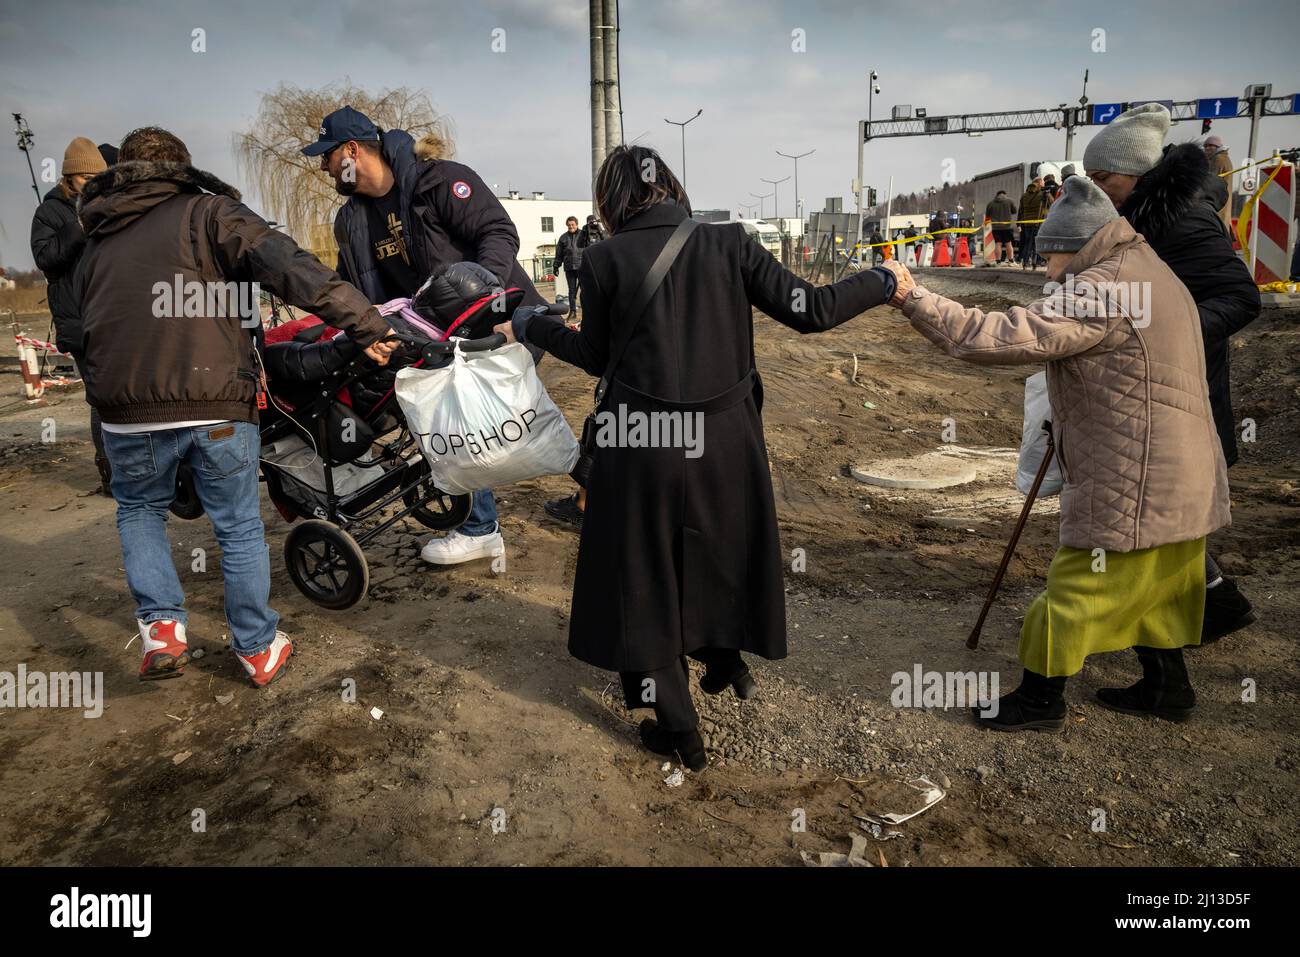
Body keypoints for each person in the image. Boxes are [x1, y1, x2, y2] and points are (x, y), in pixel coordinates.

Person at [493, 145, 898, 769]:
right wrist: (884, 280)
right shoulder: (729, 242)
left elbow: (596, 358)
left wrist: (528, 325)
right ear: (671, 187)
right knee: (716, 548)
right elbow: (813, 312)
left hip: (642, 443)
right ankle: (724, 657)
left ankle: (681, 730)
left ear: (610, 201)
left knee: (643, 577)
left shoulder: (603, 260)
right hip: (726, 440)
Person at [882, 175, 1230, 731]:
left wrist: (912, 297)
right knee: (1157, 587)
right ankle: (1169, 687)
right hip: (1180, 469)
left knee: (1073, 589)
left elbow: (995, 335)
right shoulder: (1149, 269)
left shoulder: (1104, 287)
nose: (1046, 272)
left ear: (1079, 245)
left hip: (1135, 474)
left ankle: (1039, 701)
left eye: (1052, 256)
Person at [75, 126, 394, 686]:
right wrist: (366, 323)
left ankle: (161, 632)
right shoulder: (208, 213)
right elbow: (289, 266)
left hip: (123, 411)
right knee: (239, 525)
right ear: (183, 168)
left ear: (122, 172)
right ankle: (255, 647)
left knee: (140, 511)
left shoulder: (96, 236)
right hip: (213, 398)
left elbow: (84, 324)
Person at [304, 105, 547, 568]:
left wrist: (488, 304)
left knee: (499, 417)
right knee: (469, 418)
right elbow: (350, 287)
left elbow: (496, 232)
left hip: (498, 321)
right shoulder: (349, 222)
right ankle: (481, 523)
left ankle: (485, 525)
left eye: (328, 155)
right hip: (435, 340)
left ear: (352, 151)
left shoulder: (439, 181)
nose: (322, 165)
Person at [1083, 102, 1261, 641]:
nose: (1095, 188)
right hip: (1150, 380)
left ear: (1136, 174)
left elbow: (1240, 297)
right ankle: (1204, 611)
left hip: (1182, 381)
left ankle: (1181, 625)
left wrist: (1169, 330)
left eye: (1103, 178)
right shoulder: (1136, 214)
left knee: (1158, 507)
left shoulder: (1179, 218)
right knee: (1163, 510)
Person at [30, 137, 110, 492]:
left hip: (112, 315)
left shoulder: (106, 203)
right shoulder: (49, 212)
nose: (92, 185)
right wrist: (78, 224)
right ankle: (110, 473)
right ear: (69, 177)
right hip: (79, 319)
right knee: (101, 397)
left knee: (126, 394)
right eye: (85, 179)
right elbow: (45, 258)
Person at [553, 215, 583, 319]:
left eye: (573, 224)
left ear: (577, 224)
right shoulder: (563, 238)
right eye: (569, 225)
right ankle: (573, 311)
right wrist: (556, 266)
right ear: (567, 225)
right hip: (569, 267)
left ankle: (587, 310)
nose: (571, 226)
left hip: (582, 267)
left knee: (585, 290)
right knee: (571, 291)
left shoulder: (584, 235)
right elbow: (559, 254)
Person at [1202, 134, 1234, 230]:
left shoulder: (1219, 159)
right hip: (1223, 201)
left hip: (1217, 203)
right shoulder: (1224, 158)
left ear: (1217, 147)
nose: (1207, 148)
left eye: (1211, 145)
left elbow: (1210, 181)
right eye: (1205, 146)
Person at [1017, 176, 1049, 269]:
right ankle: (1035, 262)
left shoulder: (1024, 195)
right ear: (1039, 183)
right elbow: (1051, 202)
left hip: (1026, 223)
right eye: (1042, 182)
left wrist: (1019, 223)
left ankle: (1025, 262)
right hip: (1037, 223)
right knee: (1035, 243)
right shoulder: (1042, 194)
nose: (1044, 184)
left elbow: (1021, 210)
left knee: (1028, 242)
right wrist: (1047, 194)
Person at [985, 190, 1017, 265]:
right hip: (1007, 227)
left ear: (997, 195)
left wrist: (986, 225)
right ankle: (1011, 261)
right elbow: (1014, 211)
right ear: (1005, 194)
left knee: (998, 243)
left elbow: (987, 216)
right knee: (1008, 243)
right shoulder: (1010, 201)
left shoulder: (990, 203)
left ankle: (998, 261)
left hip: (996, 227)